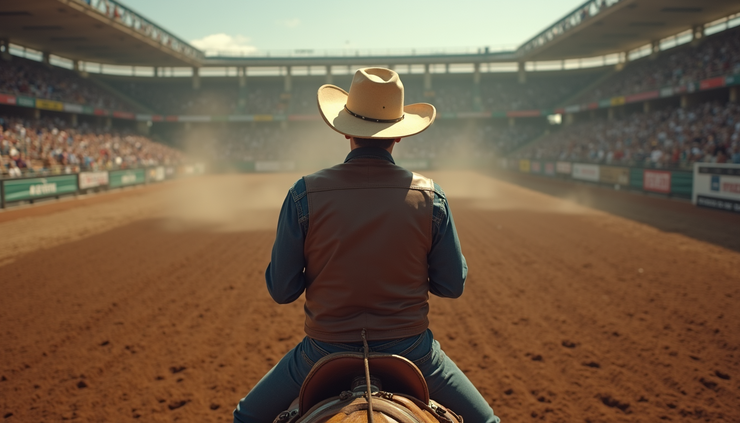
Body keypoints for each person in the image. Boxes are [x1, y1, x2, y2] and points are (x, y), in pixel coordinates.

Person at [233, 67, 500, 423]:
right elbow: (452, 286)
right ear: (400, 136)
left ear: (345, 130)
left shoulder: (303, 194)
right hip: (411, 350)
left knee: (246, 418)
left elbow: (282, 290)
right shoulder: (430, 197)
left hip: (323, 350)